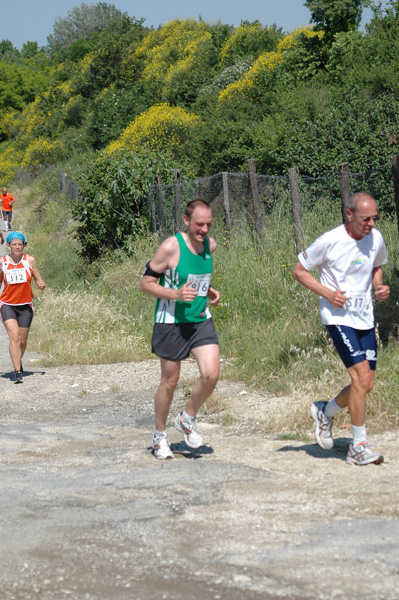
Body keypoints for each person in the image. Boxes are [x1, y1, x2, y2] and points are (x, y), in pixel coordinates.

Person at [292, 192, 390, 466]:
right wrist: (328, 293)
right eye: (365, 219)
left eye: (374, 218)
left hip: (365, 317)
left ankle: (326, 411)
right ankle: (358, 448)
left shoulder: (376, 238)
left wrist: (379, 287)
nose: (370, 224)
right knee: (360, 378)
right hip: (337, 316)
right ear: (349, 215)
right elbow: (299, 271)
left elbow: (376, 268)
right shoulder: (330, 240)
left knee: (366, 383)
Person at [140, 199, 221, 459]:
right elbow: (146, 283)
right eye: (199, 224)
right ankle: (159, 437)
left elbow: (194, 277)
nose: (204, 230)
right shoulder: (170, 247)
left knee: (211, 374)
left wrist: (206, 290)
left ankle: (187, 418)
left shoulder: (210, 245)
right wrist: (175, 294)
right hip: (171, 321)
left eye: (208, 224)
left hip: (200, 320)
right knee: (170, 381)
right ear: (186, 221)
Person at [0, 232, 46, 383]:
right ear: (8, 246)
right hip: (7, 305)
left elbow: (38, 279)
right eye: (14, 244)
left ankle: (17, 360)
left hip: (25, 306)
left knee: (22, 341)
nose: (17, 247)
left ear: (24, 245)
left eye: (20, 244)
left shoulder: (30, 260)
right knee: (14, 336)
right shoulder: (3, 262)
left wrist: (40, 284)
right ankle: (17, 371)